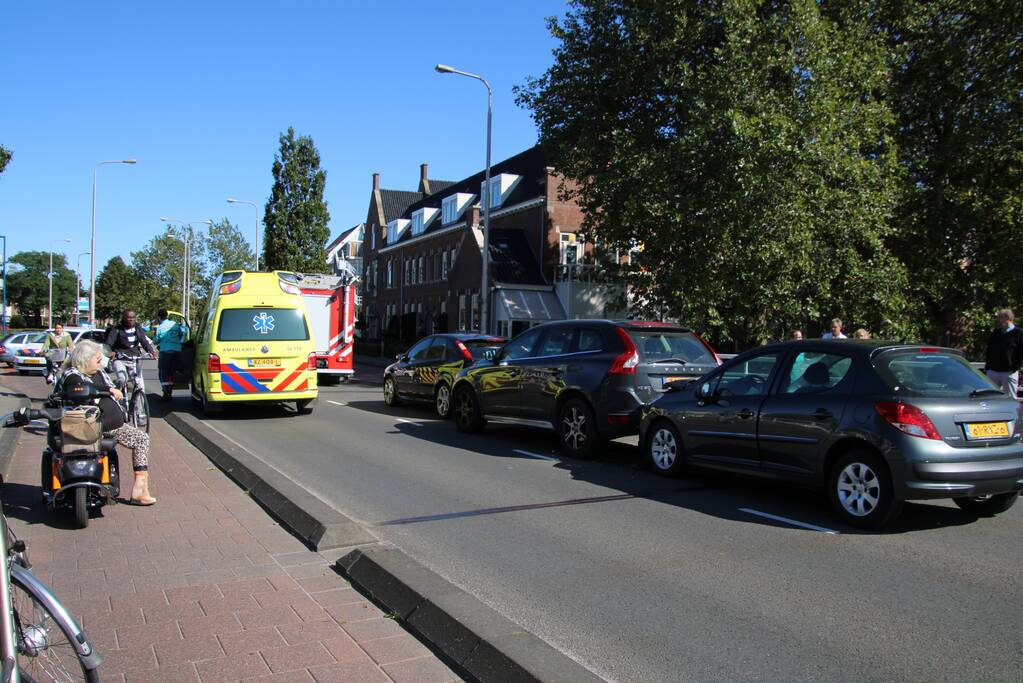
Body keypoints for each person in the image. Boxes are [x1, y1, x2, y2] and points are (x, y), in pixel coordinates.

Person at [56, 340, 156, 505]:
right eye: (96, 359)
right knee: (140, 439)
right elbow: (78, 390)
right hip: (90, 427)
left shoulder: (99, 373)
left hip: (113, 425)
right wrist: (107, 391)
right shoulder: (72, 374)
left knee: (141, 438)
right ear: (84, 360)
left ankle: (140, 488)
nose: (100, 361)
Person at [104, 309, 157, 390]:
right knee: (123, 379)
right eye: (129, 317)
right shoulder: (117, 329)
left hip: (133, 360)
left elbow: (144, 342)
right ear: (124, 318)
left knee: (140, 386)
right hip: (119, 359)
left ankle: (139, 401)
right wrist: (110, 352)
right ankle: (117, 391)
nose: (131, 319)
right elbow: (108, 344)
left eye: (133, 317)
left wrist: (151, 351)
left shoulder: (138, 328)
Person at [984, 309, 1023, 398]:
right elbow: (989, 350)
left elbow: (1021, 353)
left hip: (1008, 372)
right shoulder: (996, 332)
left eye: (1000, 317)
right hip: (993, 370)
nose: (998, 319)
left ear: (1008, 318)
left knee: (1010, 398)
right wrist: (988, 367)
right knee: (990, 397)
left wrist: (1015, 368)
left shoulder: (1019, 333)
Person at [154, 309, 185, 401]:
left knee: (163, 372)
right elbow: (181, 335)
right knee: (172, 372)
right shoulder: (175, 324)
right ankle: (170, 390)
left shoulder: (160, 327)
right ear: (167, 316)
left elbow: (156, 341)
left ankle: (166, 392)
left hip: (165, 351)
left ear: (159, 317)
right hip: (177, 351)